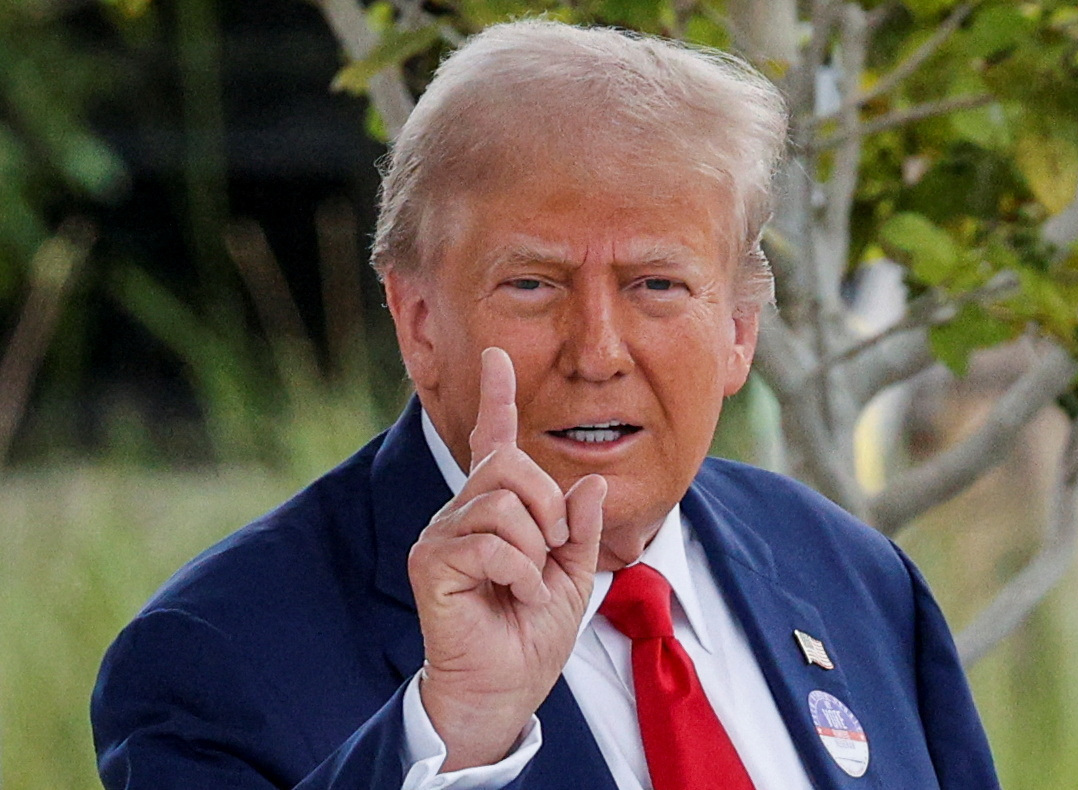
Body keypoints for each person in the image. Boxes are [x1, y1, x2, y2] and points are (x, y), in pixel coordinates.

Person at [91, 20, 1000, 790]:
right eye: (531, 284)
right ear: (417, 323)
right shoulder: (210, 660)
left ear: (736, 329)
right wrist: (455, 740)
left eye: (656, 283)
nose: (598, 352)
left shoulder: (855, 578)